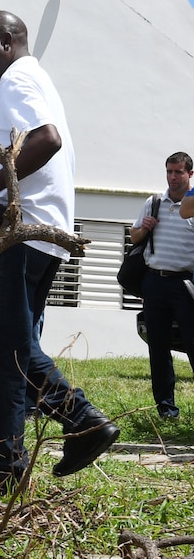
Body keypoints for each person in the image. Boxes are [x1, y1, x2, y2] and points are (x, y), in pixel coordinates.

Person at [0, 10, 119, 496]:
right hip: (30, 231)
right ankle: (10, 462)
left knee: (6, 351)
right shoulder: (31, 79)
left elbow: (46, 140)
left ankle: (79, 423)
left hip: (20, 237)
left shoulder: (18, 78)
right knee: (11, 347)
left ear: (6, 41)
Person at [130, 152, 194, 419]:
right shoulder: (154, 202)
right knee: (158, 347)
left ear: (190, 174)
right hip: (155, 282)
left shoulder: (192, 205)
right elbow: (134, 238)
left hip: (185, 284)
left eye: (179, 172)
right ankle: (166, 408)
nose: (173, 177)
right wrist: (144, 228)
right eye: (169, 171)